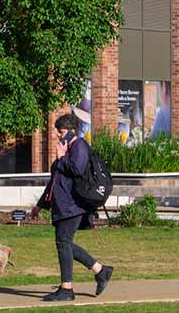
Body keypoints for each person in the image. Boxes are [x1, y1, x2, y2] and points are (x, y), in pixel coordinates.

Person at [33, 114, 111, 302]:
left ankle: (67, 289)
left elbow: (77, 169)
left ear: (71, 131)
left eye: (61, 132)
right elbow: (55, 182)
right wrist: (40, 205)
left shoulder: (79, 146)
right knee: (64, 243)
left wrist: (62, 157)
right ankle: (101, 270)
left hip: (73, 205)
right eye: (57, 133)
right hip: (63, 205)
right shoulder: (67, 149)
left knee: (63, 243)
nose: (58, 136)